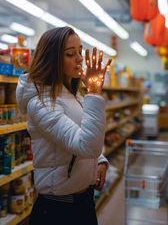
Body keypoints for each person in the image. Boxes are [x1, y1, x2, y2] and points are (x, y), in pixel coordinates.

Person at [16, 26, 112, 225]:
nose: (79, 58)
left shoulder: (72, 94)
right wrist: (94, 93)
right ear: (52, 60)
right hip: (57, 210)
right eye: (70, 54)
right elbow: (86, 146)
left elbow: (79, 132)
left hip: (83, 201)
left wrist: (100, 160)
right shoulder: (41, 103)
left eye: (80, 51)